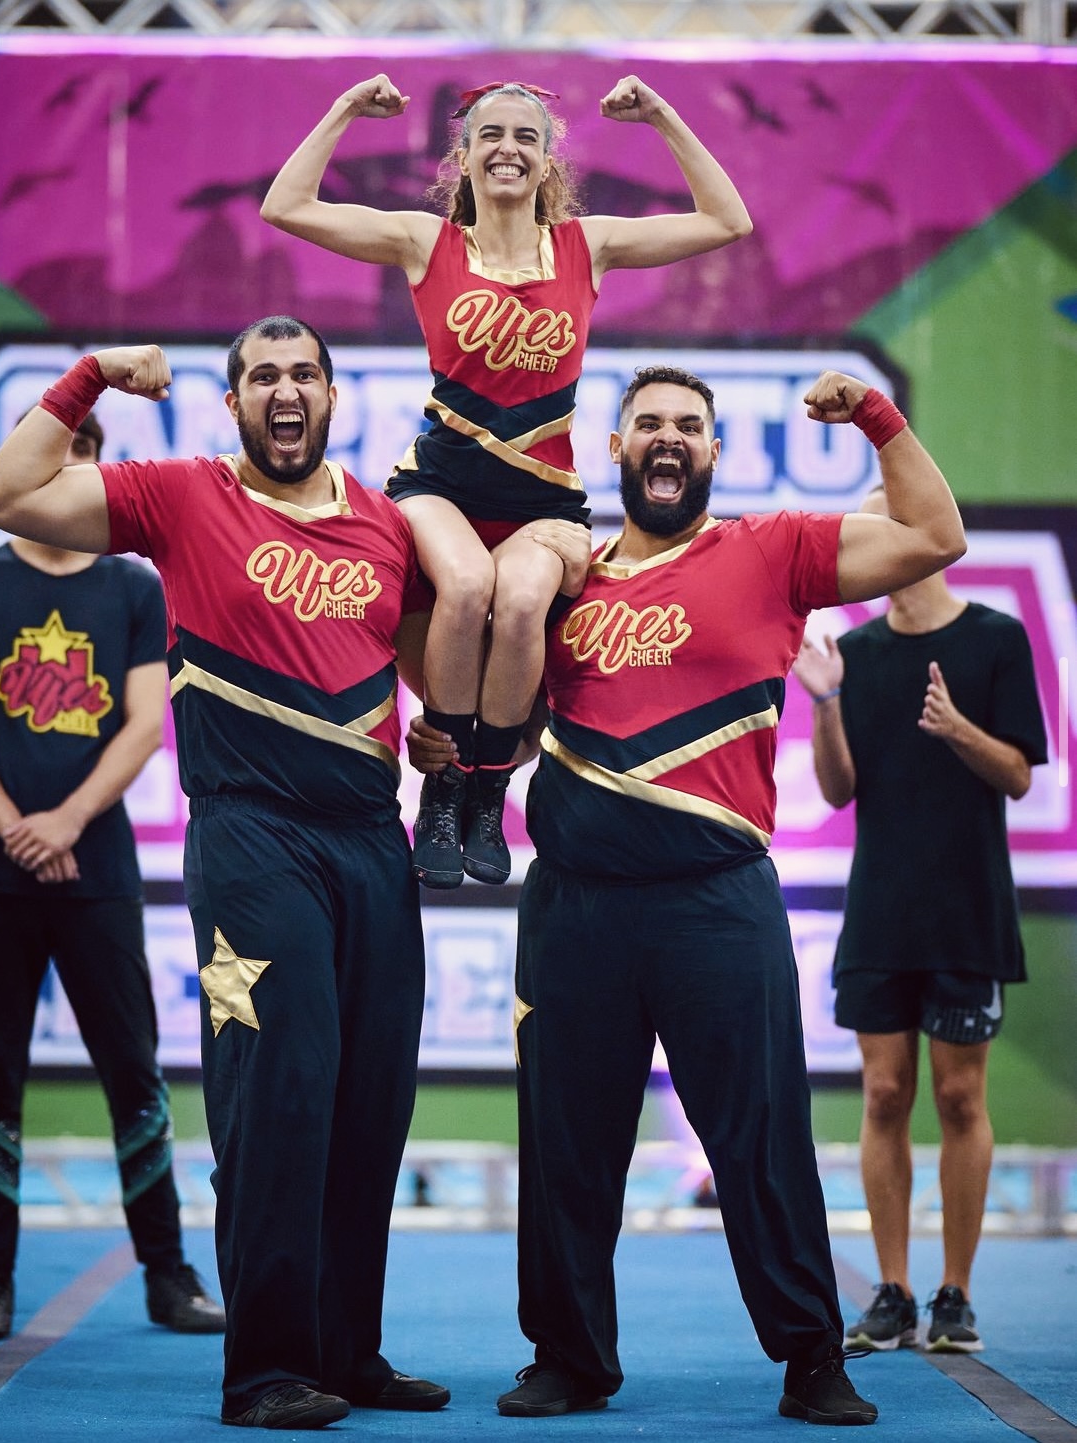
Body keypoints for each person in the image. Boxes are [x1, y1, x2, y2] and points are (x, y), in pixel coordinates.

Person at [411, 364, 966, 1425]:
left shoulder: (772, 553)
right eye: (649, 425)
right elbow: (514, 730)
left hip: (717, 903)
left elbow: (934, 537)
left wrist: (881, 419)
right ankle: (568, 1357)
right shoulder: (559, 575)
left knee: (761, 1140)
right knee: (567, 1147)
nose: (668, 440)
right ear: (614, 451)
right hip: (575, 903)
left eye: (689, 428)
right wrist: (454, 743)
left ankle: (812, 1358)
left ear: (715, 452)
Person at [0, 320, 449, 1431]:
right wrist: (91, 375)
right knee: (276, 1095)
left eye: (302, 375)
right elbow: (7, 494)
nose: (284, 392)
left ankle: (347, 1351)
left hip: (375, 844)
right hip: (251, 842)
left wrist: (438, 734)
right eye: (261, 377)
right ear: (233, 404)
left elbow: (421, 670)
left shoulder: (384, 524)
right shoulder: (181, 495)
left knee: (369, 1107)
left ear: (334, 397)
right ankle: (266, 1368)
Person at [260, 74, 752, 891]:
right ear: (465, 156)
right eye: (491, 135)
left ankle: (491, 791)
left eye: (526, 137)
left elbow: (727, 221)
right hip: (441, 486)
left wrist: (663, 114)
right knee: (467, 581)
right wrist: (345, 108)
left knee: (520, 597)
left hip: (545, 500)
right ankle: (443, 789)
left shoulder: (585, 248)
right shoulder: (429, 244)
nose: (509, 150)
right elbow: (286, 206)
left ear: (547, 159)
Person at [0, 411, 225, 1344]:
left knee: (134, 1072)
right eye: (50, 449)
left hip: (96, 872)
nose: (66, 466)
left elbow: (142, 724)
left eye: (82, 453)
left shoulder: (133, 588)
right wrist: (16, 826)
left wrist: (65, 821)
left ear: (93, 469)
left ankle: (169, 1276)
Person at [792, 488, 1047, 1356]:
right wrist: (825, 702)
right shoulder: (853, 654)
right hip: (881, 907)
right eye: (868, 533)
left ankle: (957, 1293)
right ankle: (893, 1291)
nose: (879, 546)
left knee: (960, 1093)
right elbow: (837, 789)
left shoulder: (995, 639)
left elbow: (1017, 774)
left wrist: (956, 728)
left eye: (891, 529)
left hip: (969, 903)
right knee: (887, 1093)